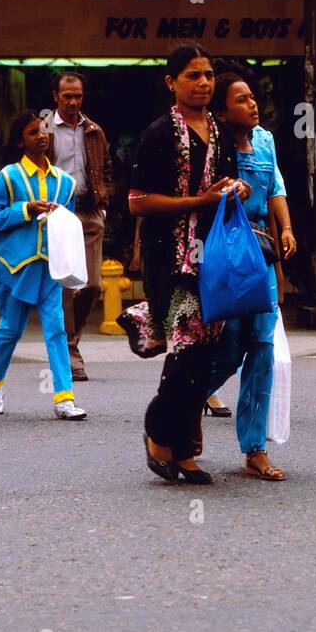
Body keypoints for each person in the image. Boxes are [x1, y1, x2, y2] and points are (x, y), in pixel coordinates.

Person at [125, 44, 249, 484]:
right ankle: (160, 437)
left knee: (203, 356)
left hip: (212, 260)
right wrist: (198, 201)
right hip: (171, 262)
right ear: (171, 82)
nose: (203, 84)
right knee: (186, 353)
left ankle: (182, 449)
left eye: (209, 75)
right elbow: (138, 202)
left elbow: (224, 183)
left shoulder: (220, 130)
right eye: (193, 76)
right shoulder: (158, 134)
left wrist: (234, 188)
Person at [201, 66, 296, 480]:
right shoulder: (214, 148)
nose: (252, 104)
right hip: (224, 254)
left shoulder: (265, 141)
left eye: (252, 97)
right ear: (222, 114)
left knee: (261, 348)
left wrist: (286, 232)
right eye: (241, 99)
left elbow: (275, 188)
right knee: (228, 347)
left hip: (259, 254)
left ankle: (254, 449)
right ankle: (181, 404)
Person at [0, 110, 86, 421]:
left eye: (43, 130)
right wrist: (26, 209)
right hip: (15, 267)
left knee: (57, 328)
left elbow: (67, 223)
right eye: (32, 132)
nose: (41, 136)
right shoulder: (9, 176)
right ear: (19, 141)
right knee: (11, 329)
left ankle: (64, 398)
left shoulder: (65, 183)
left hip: (51, 266)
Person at [40, 73, 111, 382]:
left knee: (92, 284)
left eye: (78, 96)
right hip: (59, 213)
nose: (73, 102)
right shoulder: (44, 131)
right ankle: (70, 351)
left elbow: (106, 167)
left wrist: (104, 202)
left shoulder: (94, 130)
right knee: (68, 286)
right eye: (67, 96)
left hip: (90, 209)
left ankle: (73, 337)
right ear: (56, 96)